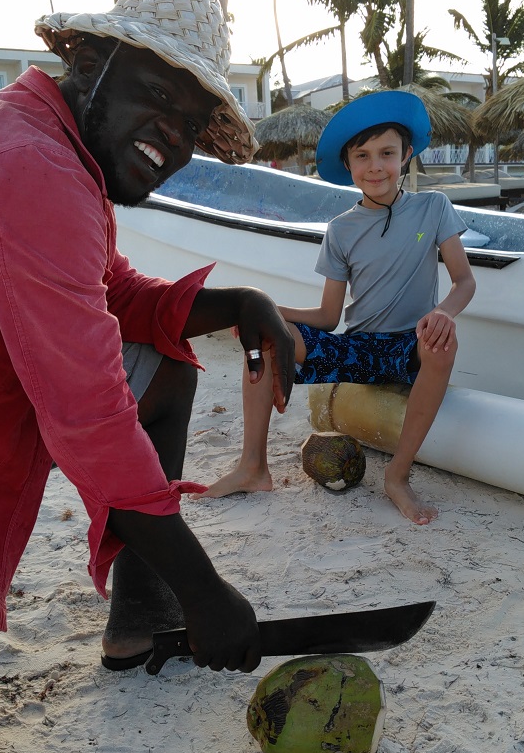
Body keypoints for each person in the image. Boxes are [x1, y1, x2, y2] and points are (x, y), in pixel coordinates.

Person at [0, 0, 296, 753]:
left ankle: (143, 623)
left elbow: (111, 296)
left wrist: (242, 302)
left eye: (191, 123)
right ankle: (167, 602)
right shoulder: (28, 164)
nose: (174, 138)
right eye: (158, 94)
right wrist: (207, 592)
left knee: (163, 365)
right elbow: (89, 421)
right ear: (91, 62)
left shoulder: (44, 141)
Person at [193, 91, 476, 525]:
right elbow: (328, 317)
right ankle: (253, 466)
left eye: (387, 153)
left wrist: (445, 312)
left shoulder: (432, 208)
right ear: (349, 166)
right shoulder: (340, 230)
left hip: (409, 348)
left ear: (407, 155)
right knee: (264, 335)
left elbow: (464, 280)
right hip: (358, 349)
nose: (375, 166)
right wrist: (267, 311)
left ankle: (397, 477)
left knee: (443, 343)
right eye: (362, 156)